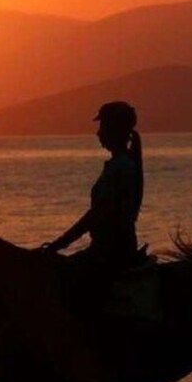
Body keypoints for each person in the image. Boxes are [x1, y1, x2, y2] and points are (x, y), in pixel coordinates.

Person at [43, 101, 144, 271]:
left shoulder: (120, 167)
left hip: (110, 255)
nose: (98, 133)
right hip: (111, 250)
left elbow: (97, 214)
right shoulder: (122, 164)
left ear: (114, 129)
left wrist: (58, 244)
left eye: (102, 127)